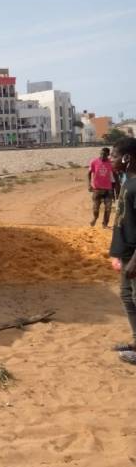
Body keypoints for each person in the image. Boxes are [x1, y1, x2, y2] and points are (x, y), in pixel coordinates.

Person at [108, 137, 136, 364]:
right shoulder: (128, 180)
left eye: (114, 155)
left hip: (134, 257)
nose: (110, 158)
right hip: (126, 254)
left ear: (127, 158)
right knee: (127, 298)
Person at [88, 147, 116, 228]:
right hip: (97, 189)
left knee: (108, 208)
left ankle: (105, 224)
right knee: (96, 208)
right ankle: (95, 217)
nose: (102, 155)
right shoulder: (94, 162)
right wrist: (89, 184)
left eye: (104, 154)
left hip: (108, 189)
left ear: (108, 155)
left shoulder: (111, 163)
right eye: (101, 153)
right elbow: (89, 173)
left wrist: (117, 187)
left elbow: (115, 175)